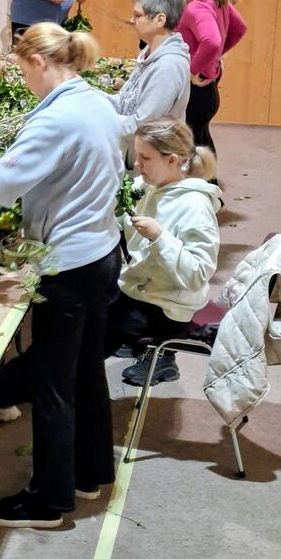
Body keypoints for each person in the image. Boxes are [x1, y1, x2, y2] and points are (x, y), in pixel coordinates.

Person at [0, 24, 123, 528]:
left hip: (70, 264)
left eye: (24, 72)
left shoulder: (56, 120)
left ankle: (48, 501)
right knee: (87, 371)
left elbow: (2, 182)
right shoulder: (98, 102)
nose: (25, 83)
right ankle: (89, 473)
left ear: (39, 62)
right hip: (103, 252)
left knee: (53, 384)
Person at [107, 119, 221, 386]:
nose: (137, 164)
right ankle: (140, 344)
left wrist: (159, 237)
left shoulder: (195, 207)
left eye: (145, 158)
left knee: (91, 331)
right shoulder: (146, 187)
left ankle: (160, 353)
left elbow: (197, 273)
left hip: (168, 306)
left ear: (171, 160)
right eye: (137, 156)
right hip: (143, 289)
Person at [108, 0, 190, 168]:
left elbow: (141, 125)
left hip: (152, 165)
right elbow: (124, 101)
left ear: (160, 20)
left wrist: (96, 118)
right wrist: (87, 94)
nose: (132, 21)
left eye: (138, 16)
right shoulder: (150, 51)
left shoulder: (167, 67)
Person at [176, 0, 247, 154]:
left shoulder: (196, 7)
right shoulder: (218, 1)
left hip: (196, 90)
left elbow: (211, 41)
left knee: (191, 146)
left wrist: (192, 69)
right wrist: (213, 58)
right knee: (201, 141)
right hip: (208, 88)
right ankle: (210, 175)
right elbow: (239, 28)